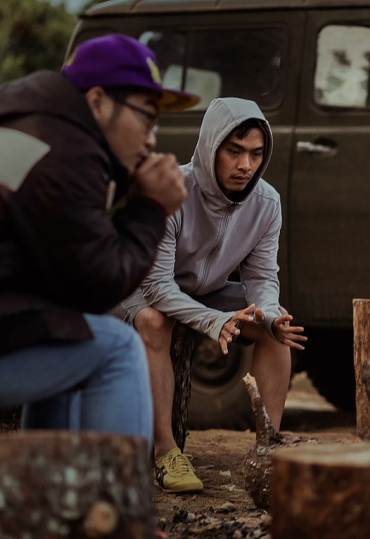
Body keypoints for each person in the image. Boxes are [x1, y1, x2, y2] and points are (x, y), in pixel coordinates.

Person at [0, 34, 198, 446]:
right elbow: (98, 285)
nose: (151, 139)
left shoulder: (29, 114)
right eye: (146, 117)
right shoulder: (66, 150)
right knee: (117, 349)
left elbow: (68, 287)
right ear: (96, 101)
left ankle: (54, 501)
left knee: (70, 335)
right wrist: (150, 207)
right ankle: (112, 506)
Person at [114, 97, 306, 493]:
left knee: (275, 327)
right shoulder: (173, 191)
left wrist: (269, 315)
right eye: (234, 152)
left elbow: (262, 277)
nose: (245, 165)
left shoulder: (267, 202)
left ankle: (267, 450)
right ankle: (165, 453)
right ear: (210, 147)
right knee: (154, 321)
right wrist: (213, 320)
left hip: (210, 292)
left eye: (255, 154)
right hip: (139, 286)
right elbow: (157, 286)